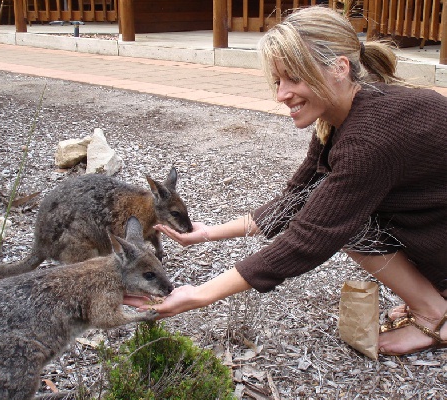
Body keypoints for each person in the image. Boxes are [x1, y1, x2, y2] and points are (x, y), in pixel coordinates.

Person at [125, 5, 447, 356]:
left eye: (294, 78)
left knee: (349, 224)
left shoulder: (368, 138)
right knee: (338, 208)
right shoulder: (341, 114)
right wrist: (207, 233)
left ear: (339, 68)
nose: (281, 95)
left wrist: (200, 294)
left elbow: (310, 235)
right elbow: (296, 199)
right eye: (278, 81)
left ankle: (433, 314)